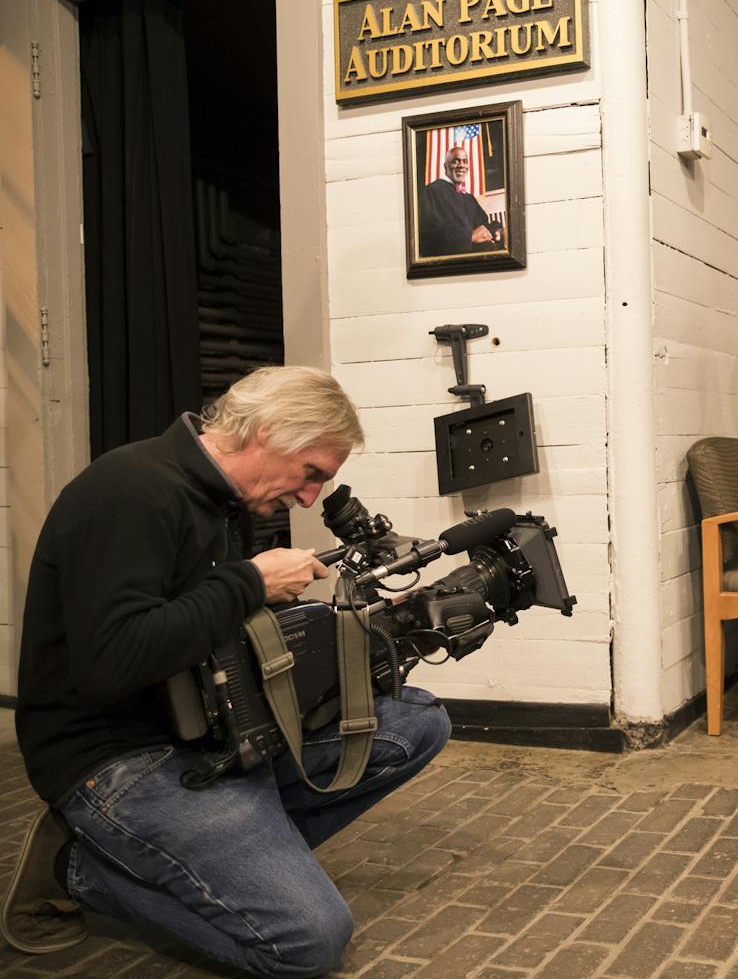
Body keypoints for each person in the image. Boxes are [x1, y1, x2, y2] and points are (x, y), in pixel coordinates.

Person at [2, 366, 452, 976]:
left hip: (209, 729)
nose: (311, 497)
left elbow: (200, 617)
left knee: (416, 721)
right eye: (312, 473)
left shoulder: (216, 501)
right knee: (309, 942)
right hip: (116, 758)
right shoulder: (131, 492)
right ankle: (75, 867)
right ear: (265, 433)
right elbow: (112, 662)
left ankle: (223, 859)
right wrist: (249, 582)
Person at [418, 145, 502, 257]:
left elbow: (483, 224)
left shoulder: (469, 197)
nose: (461, 165)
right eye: (455, 161)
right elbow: (428, 233)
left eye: (465, 161)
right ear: (445, 166)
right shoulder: (433, 191)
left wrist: (498, 230)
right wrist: (469, 236)